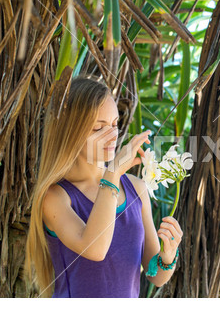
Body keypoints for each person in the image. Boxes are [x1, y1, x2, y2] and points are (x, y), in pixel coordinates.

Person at [25, 76, 183, 298]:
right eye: (98, 128)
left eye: (114, 124)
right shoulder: (56, 197)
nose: (112, 135)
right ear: (69, 133)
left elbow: (154, 274)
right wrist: (114, 172)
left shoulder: (136, 189)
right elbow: (95, 249)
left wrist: (168, 257)